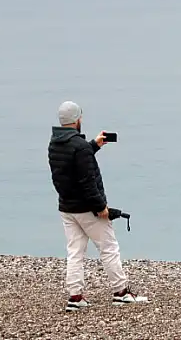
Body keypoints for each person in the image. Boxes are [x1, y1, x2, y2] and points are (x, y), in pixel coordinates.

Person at [48, 101, 149, 311]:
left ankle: (75, 297)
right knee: (109, 248)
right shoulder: (80, 147)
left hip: (67, 208)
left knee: (75, 252)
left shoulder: (55, 144)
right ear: (77, 120)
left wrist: (94, 145)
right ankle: (121, 292)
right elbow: (87, 180)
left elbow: (72, 166)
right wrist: (101, 207)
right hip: (87, 208)